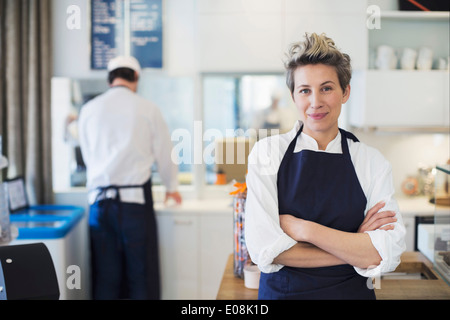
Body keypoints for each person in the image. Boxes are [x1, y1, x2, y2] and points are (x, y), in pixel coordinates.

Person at [245, 33, 406, 300]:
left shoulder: (371, 161)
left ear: (345, 92)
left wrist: (304, 230)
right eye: (305, 90)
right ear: (293, 96)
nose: (315, 101)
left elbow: (385, 252)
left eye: (327, 88)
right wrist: (354, 245)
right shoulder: (267, 153)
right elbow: (264, 249)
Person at [78, 56, 182, 300]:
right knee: (140, 275)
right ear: (136, 78)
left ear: (109, 79)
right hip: (135, 202)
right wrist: (171, 187)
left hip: (99, 204)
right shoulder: (147, 108)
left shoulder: (89, 109)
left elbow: (86, 154)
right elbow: (165, 153)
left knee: (105, 276)